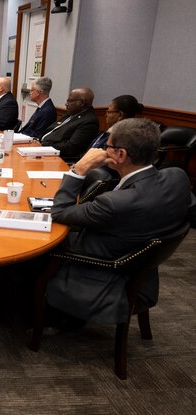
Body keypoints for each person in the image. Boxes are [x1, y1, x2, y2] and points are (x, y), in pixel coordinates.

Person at [47, 118, 196, 325]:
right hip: (139, 261)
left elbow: (60, 212)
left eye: (106, 146)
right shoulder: (177, 177)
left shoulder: (114, 203)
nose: (101, 150)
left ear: (120, 154)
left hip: (103, 265)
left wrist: (79, 170)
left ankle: (47, 314)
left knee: (39, 246)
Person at [40, 87, 99, 163]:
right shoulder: (70, 114)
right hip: (44, 149)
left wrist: (45, 144)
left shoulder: (89, 121)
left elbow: (71, 147)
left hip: (59, 158)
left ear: (81, 102)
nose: (66, 104)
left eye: (69, 100)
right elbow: (50, 130)